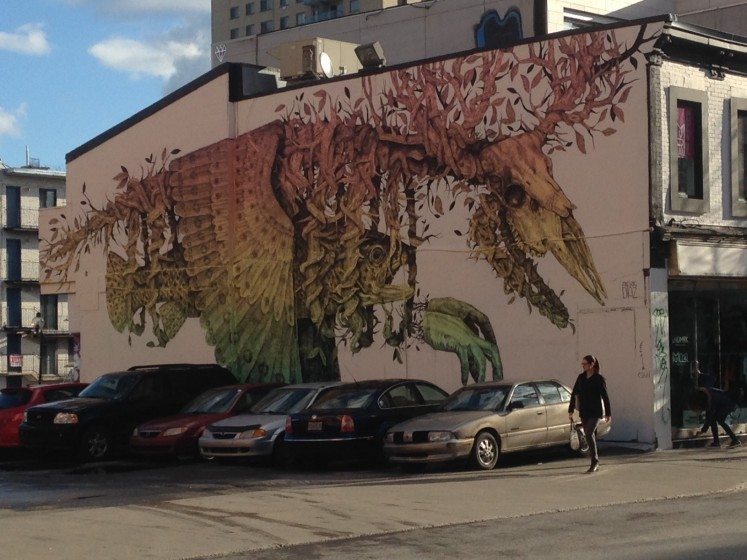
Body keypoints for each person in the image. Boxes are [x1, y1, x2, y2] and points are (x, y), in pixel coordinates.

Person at [568, 355, 611, 473]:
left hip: (596, 412)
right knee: (589, 435)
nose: (583, 365)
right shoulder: (581, 378)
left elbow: (605, 396)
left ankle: (595, 462)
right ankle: (594, 459)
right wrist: (571, 410)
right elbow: (574, 393)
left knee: (588, 433)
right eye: (582, 364)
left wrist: (608, 413)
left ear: (592, 364)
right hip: (584, 411)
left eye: (585, 363)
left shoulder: (598, 378)